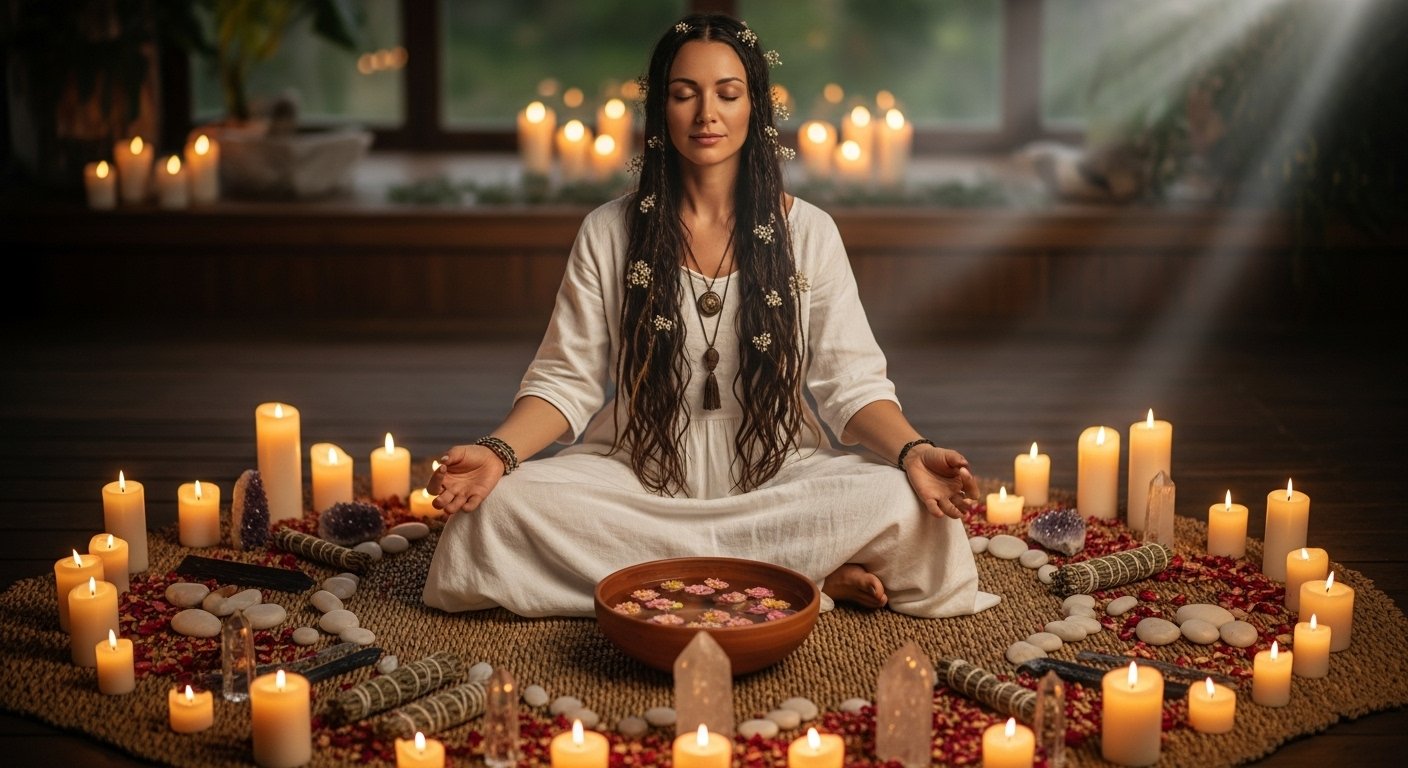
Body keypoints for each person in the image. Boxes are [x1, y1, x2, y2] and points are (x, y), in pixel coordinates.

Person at [423, 13, 999, 620]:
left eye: (727, 93)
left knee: (904, 505)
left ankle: (680, 575)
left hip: (778, 475)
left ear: (755, 107)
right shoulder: (607, 231)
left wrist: (912, 453)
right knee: (494, 513)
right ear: (660, 110)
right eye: (683, 94)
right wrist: (497, 452)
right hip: (636, 473)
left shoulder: (809, 232)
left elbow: (850, 384)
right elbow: (565, 381)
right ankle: (801, 575)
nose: (706, 115)